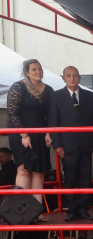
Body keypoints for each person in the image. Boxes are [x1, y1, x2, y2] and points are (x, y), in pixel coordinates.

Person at [48, 66, 93, 221]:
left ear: (79, 77)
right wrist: (56, 144)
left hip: (86, 143)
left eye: (75, 75)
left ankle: (84, 208)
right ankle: (71, 209)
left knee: (85, 178)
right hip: (66, 145)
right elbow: (53, 121)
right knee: (69, 178)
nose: (72, 78)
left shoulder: (89, 96)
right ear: (63, 78)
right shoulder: (56, 96)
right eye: (68, 75)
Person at [5, 59, 52, 218]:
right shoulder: (19, 87)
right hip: (20, 133)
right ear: (26, 72)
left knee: (38, 172)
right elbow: (12, 112)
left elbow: (50, 115)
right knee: (24, 170)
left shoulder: (49, 89)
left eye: (40, 69)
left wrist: (48, 132)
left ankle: (36, 212)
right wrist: (24, 134)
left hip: (40, 133)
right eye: (34, 69)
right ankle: (21, 211)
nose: (38, 72)